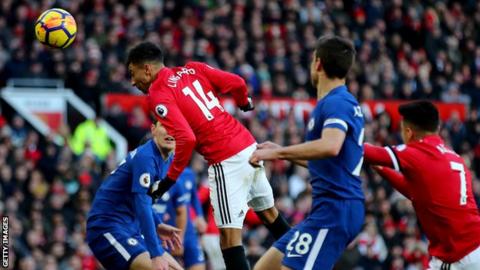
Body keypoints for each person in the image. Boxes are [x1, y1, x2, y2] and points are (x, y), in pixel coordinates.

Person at [127, 42, 291, 270]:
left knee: (228, 240)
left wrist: (168, 181)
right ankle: (309, 263)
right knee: (271, 216)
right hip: (248, 146)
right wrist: (244, 102)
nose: (133, 82)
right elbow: (238, 83)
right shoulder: (193, 68)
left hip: (226, 160)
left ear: (146, 69)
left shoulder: (157, 94)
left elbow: (186, 138)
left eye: (133, 74)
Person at [249, 35, 365, 270]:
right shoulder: (333, 102)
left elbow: (330, 146)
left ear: (318, 63)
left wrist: (278, 155)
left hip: (336, 210)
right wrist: (283, 150)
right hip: (326, 209)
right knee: (265, 267)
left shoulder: (338, 102)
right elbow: (329, 161)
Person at [363, 100, 480, 270]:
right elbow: (416, 193)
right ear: (437, 128)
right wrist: (382, 170)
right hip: (463, 253)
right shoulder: (453, 156)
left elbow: (367, 151)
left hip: (463, 257)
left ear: (408, 132)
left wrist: (329, 141)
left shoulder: (418, 152)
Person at [86, 121, 183, 270]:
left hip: (131, 228)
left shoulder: (167, 159)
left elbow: (145, 200)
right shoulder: (146, 158)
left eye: (175, 127)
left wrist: (158, 225)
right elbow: (142, 205)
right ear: (153, 130)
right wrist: (156, 253)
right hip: (108, 227)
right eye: (165, 126)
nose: (170, 132)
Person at [154, 167, 206, 270]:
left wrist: (200, 216)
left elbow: (193, 198)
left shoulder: (189, 174)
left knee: (198, 266)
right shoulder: (157, 175)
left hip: (186, 231)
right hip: (165, 231)